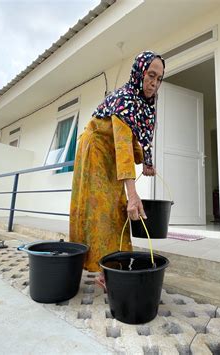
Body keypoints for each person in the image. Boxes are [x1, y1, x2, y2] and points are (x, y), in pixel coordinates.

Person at [69, 51, 165, 290]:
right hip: (95, 149)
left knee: (117, 210)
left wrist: (147, 162)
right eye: (150, 75)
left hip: (110, 152)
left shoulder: (145, 105)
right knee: (101, 208)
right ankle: (100, 268)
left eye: (159, 78)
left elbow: (138, 139)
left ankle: (114, 266)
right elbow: (123, 148)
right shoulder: (126, 100)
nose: (154, 82)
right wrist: (133, 195)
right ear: (139, 73)